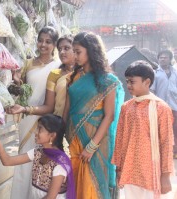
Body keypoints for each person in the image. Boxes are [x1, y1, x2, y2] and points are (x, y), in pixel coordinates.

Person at [62, 32, 124, 199]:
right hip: (73, 140)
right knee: (76, 183)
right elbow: (66, 111)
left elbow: (109, 116)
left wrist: (92, 146)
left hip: (95, 141)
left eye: (78, 51)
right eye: (73, 51)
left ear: (91, 50)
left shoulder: (107, 80)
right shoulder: (73, 78)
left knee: (92, 185)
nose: (74, 55)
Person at [10, 26, 61, 199]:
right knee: (24, 160)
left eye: (48, 42)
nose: (43, 45)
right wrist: (17, 82)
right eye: (40, 40)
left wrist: (27, 110)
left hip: (45, 122)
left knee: (40, 163)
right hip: (26, 119)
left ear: (54, 45)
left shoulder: (58, 67)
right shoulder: (28, 63)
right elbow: (22, 92)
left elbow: (51, 103)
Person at [112, 60, 174, 199]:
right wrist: (119, 168)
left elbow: (166, 142)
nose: (128, 85)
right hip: (131, 169)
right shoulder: (126, 107)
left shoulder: (161, 108)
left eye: (132, 82)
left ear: (147, 82)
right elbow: (120, 138)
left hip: (152, 170)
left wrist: (165, 175)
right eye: (127, 81)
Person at [0, 114, 75, 199]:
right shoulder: (38, 152)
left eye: (40, 129)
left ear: (52, 135)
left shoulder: (60, 163)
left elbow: (50, 197)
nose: (35, 132)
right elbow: (7, 161)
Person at [9, 34, 76, 117]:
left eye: (66, 48)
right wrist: (24, 109)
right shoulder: (54, 74)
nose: (62, 52)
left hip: (81, 122)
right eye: (60, 49)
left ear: (75, 49)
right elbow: (49, 106)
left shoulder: (83, 74)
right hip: (58, 122)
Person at [150, 49, 177, 159]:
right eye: (161, 57)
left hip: (174, 106)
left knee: (174, 129)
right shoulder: (155, 73)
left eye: (165, 57)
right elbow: (152, 90)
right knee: (161, 130)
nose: (162, 59)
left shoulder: (175, 72)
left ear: (170, 59)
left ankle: (174, 151)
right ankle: (161, 151)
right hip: (160, 107)